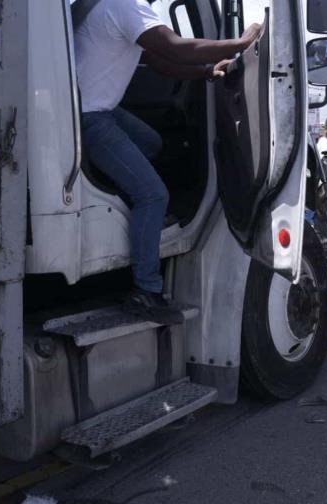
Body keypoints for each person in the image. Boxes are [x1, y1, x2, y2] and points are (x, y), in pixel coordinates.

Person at [73, 0, 261, 324]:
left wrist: (206, 72)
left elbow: (159, 61)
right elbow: (175, 47)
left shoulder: (110, 6)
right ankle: (145, 291)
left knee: (151, 142)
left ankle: (136, 215)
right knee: (153, 195)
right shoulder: (125, 5)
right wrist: (242, 43)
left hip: (94, 108)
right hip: (89, 118)